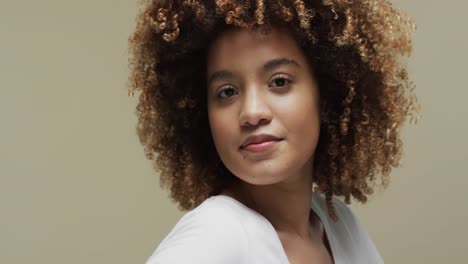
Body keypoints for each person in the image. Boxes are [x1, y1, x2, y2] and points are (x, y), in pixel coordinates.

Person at [128, 0, 419, 263]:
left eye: (279, 82)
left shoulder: (340, 225)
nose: (252, 113)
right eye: (226, 92)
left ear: (328, 94)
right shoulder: (216, 234)